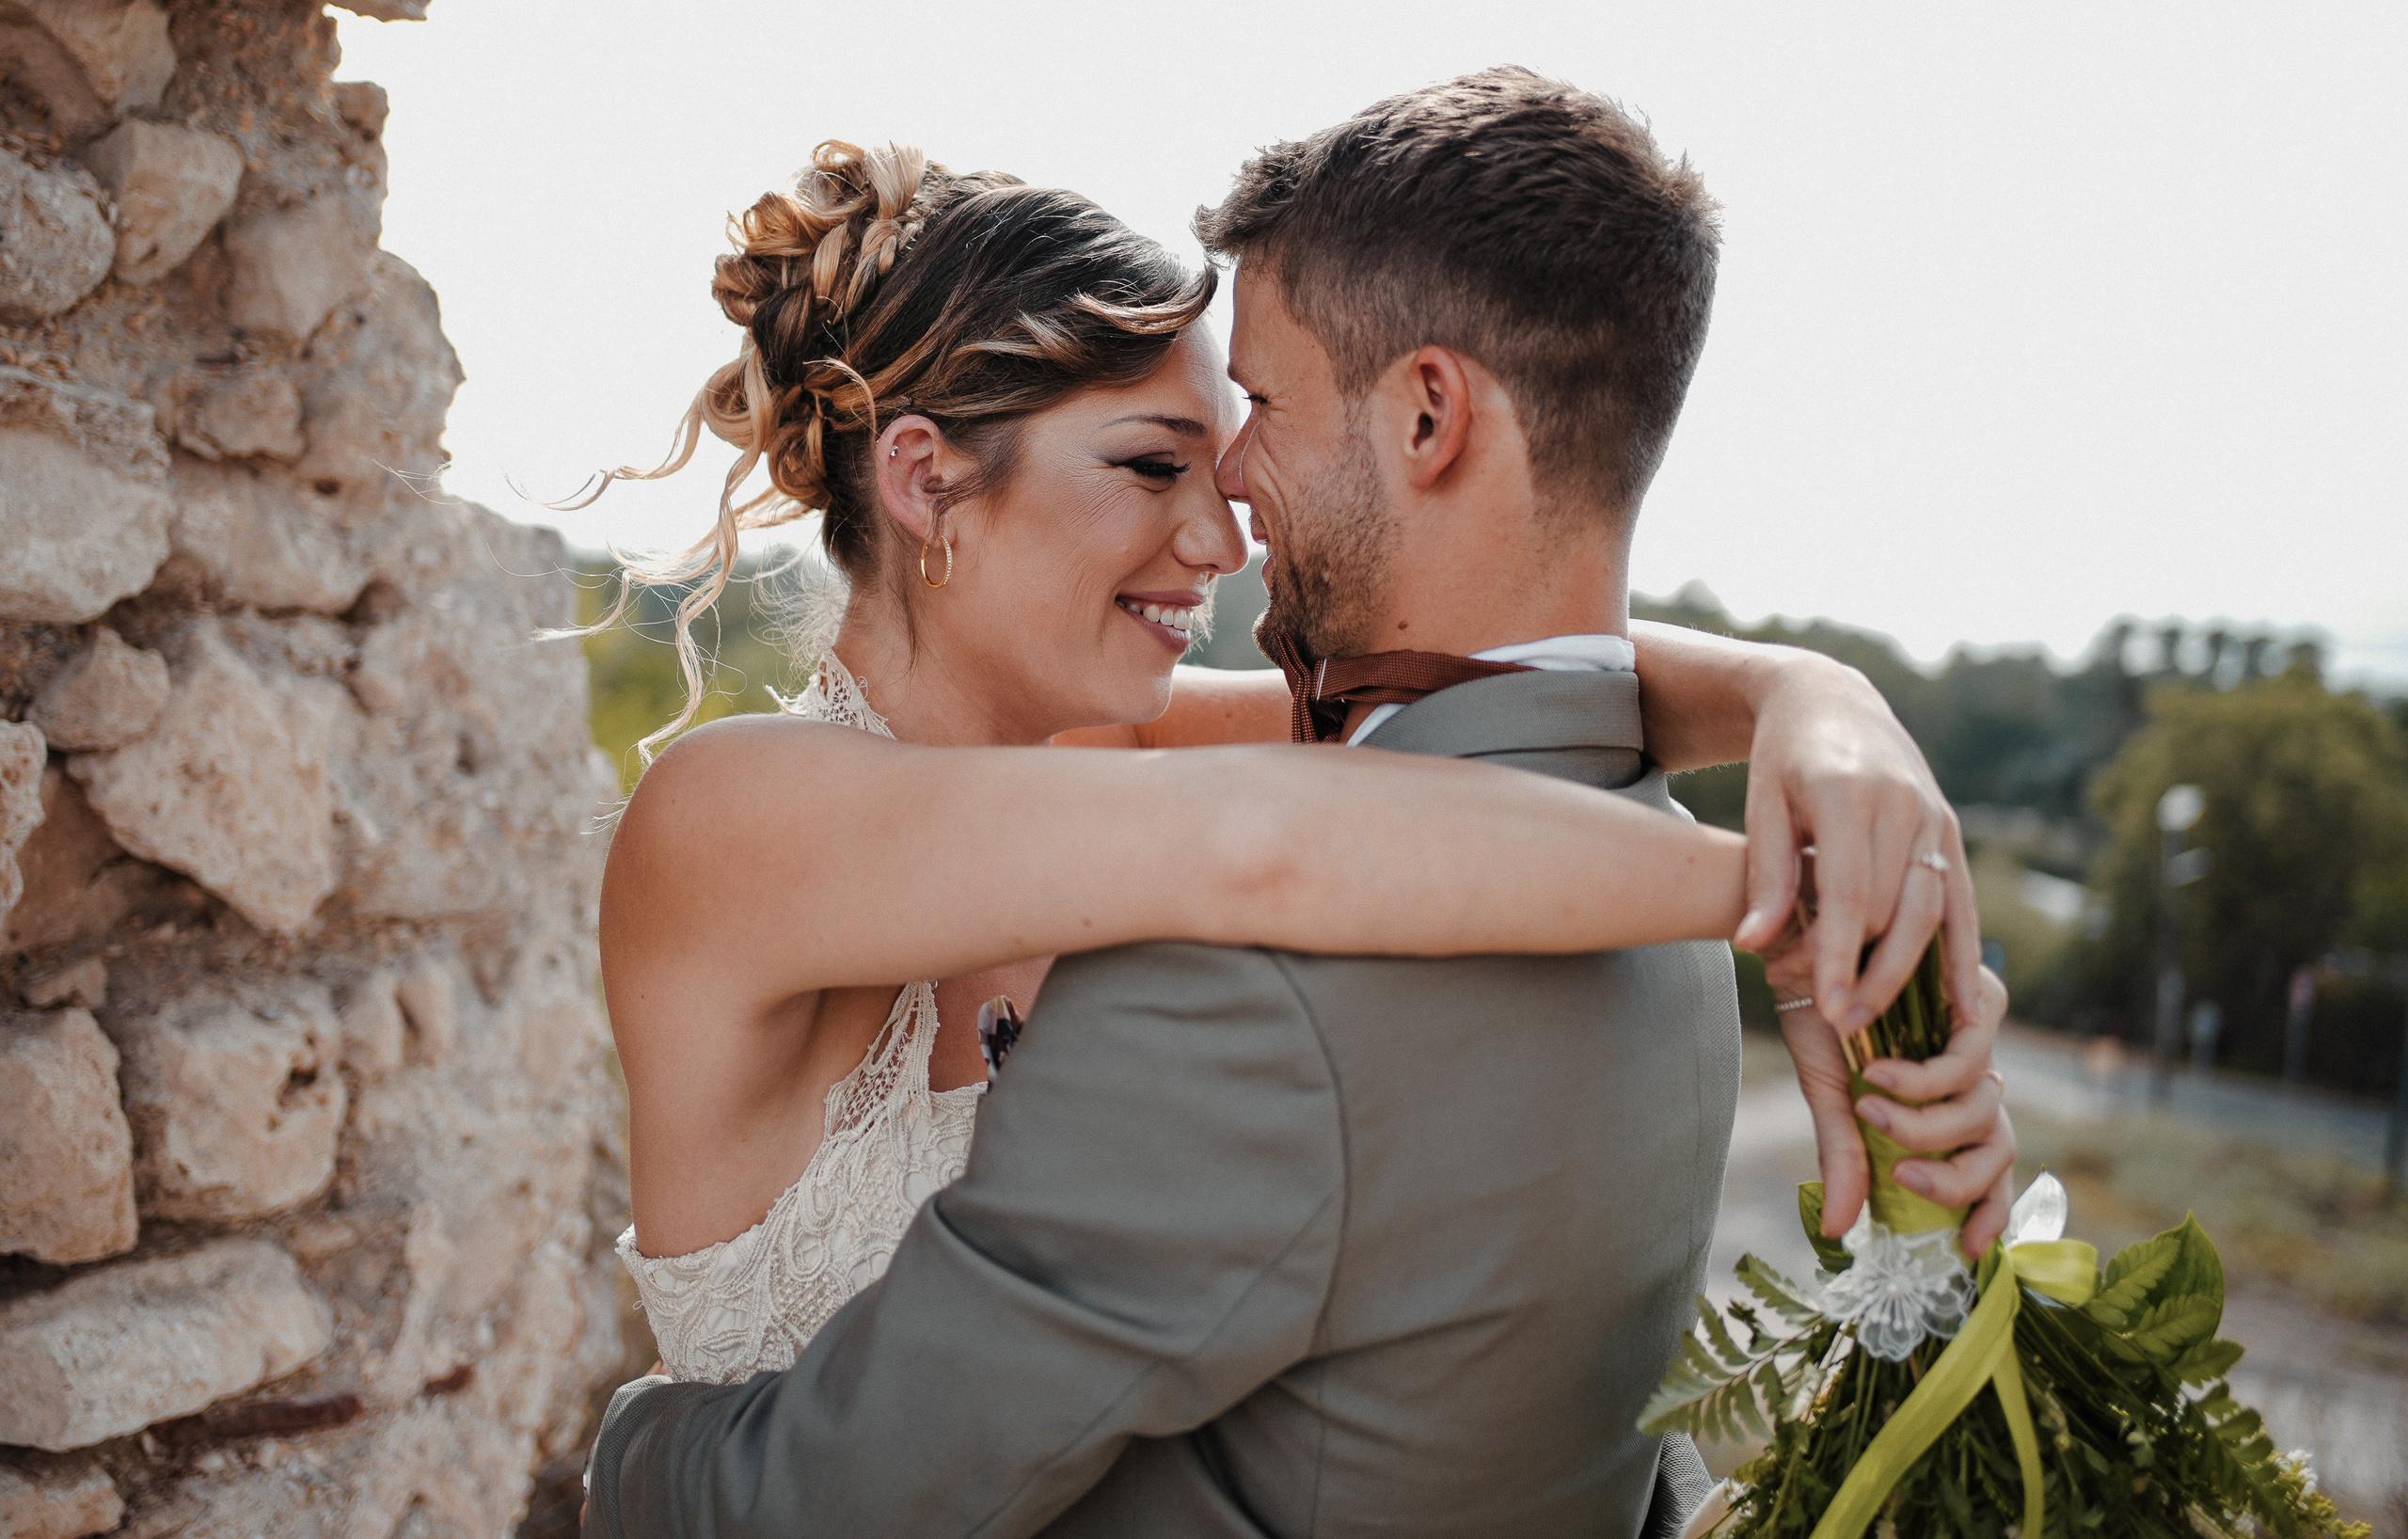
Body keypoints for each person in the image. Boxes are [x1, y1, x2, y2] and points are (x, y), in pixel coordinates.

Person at [585, 91, 2014, 1538]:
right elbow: (1276, 839)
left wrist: (1819, 709)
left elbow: (1490, 693)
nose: (1221, 539)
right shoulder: (733, 814)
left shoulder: (1112, 742)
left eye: (1224, 459)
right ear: (925, 477)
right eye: (1152, 466)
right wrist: (1789, 903)